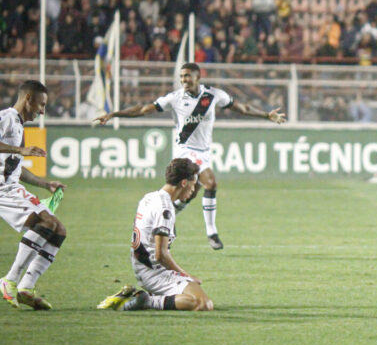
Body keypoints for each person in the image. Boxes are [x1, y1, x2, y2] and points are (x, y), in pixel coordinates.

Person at [93, 63, 286, 250]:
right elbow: (143, 109)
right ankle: (212, 233)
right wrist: (114, 114)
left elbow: (242, 108)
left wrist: (266, 115)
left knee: (191, 193)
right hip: (184, 150)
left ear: (197, 77)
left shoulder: (213, 95)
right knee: (210, 182)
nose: (184, 80)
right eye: (182, 76)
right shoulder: (174, 98)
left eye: (187, 76)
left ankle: (169, 215)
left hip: (204, 151)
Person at [97, 158, 214, 312]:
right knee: (203, 304)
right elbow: (161, 255)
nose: (193, 191)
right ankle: (147, 300)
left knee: (196, 296)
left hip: (143, 268)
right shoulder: (164, 208)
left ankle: (145, 297)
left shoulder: (150, 198)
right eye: (192, 185)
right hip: (155, 273)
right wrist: (186, 275)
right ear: (184, 183)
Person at [0, 81, 68, 311]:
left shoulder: (19, 125)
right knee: (47, 223)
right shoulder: (7, 117)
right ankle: (10, 280)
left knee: (59, 230)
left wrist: (44, 183)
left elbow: (15, 168)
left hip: (12, 186)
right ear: (28, 98)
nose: (42, 111)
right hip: (3, 190)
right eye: (41, 104)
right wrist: (21, 150)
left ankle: (27, 287)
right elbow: (16, 154)